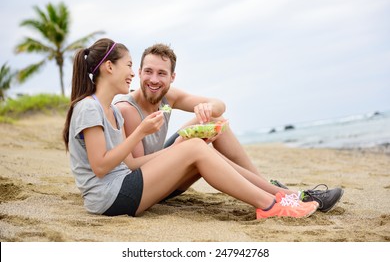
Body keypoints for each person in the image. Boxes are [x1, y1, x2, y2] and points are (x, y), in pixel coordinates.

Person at [62, 38, 319, 219]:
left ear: (172, 76)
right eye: (130, 66)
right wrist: (142, 133)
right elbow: (101, 166)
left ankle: (276, 195)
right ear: (109, 67)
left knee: (200, 140)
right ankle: (271, 203)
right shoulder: (90, 108)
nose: (132, 73)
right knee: (195, 147)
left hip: (123, 186)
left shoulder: (110, 110)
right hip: (109, 199)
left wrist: (175, 147)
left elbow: (126, 163)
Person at [113, 43, 344, 213]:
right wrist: (180, 148)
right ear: (139, 73)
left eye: (161, 73)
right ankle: (284, 196)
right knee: (195, 145)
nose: (154, 79)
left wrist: (206, 107)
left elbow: (220, 105)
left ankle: (269, 186)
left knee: (215, 121)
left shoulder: (168, 96)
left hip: (165, 164)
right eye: (148, 71)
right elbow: (135, 172)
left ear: (172, 77)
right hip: (149, 185)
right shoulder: (127, 110)